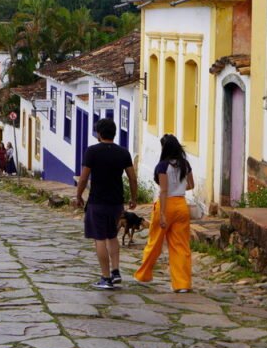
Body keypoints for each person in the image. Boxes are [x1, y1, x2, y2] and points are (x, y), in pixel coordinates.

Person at [74, 118, 138, 290]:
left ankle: (106, 277)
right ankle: (116, 271)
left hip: (98, 201)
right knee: (112, 236)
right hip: (116, 202)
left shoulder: (92, 152)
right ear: (114, 133)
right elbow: (132, 178)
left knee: (100, 238)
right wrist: (134, 198)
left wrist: (78, 195)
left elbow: (84, 178)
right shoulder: (123, 153)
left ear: (99, 133)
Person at [134, 134, 195, 293]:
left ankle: (144, 275)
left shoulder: (162, 166)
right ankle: (182, 284)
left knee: (155, 242)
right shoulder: (185, 164)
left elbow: (164, 191)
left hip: (166, 205)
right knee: (180, 246)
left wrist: (162, 214)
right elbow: (191, 185)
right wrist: (179, 188)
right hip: (181, 205)